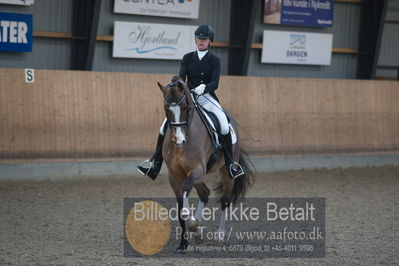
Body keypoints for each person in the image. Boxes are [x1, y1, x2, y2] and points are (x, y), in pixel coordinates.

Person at [137, 24, 244, 180]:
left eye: (204, 39)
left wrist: (204, 88)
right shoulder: (187, 58)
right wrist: (177, 87)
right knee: (163, 127)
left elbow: (215, 83)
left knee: (223, 124)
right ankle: (155, 164)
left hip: (207, 97)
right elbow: (181, 78)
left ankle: (230, 165)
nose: (201, 41)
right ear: (195, 40)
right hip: (188, 98)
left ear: (210, 41)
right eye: (199, 38)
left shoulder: (214, 60)